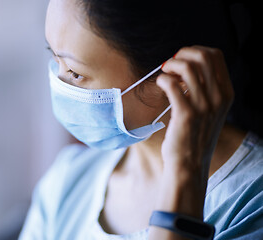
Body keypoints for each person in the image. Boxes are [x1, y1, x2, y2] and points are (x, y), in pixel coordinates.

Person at [19, 0, 263, 239]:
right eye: (54, 58)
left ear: (178, 77)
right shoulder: (68, 178)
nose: (59, 84)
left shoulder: (252, 200)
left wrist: (184, 177)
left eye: (75, 72)